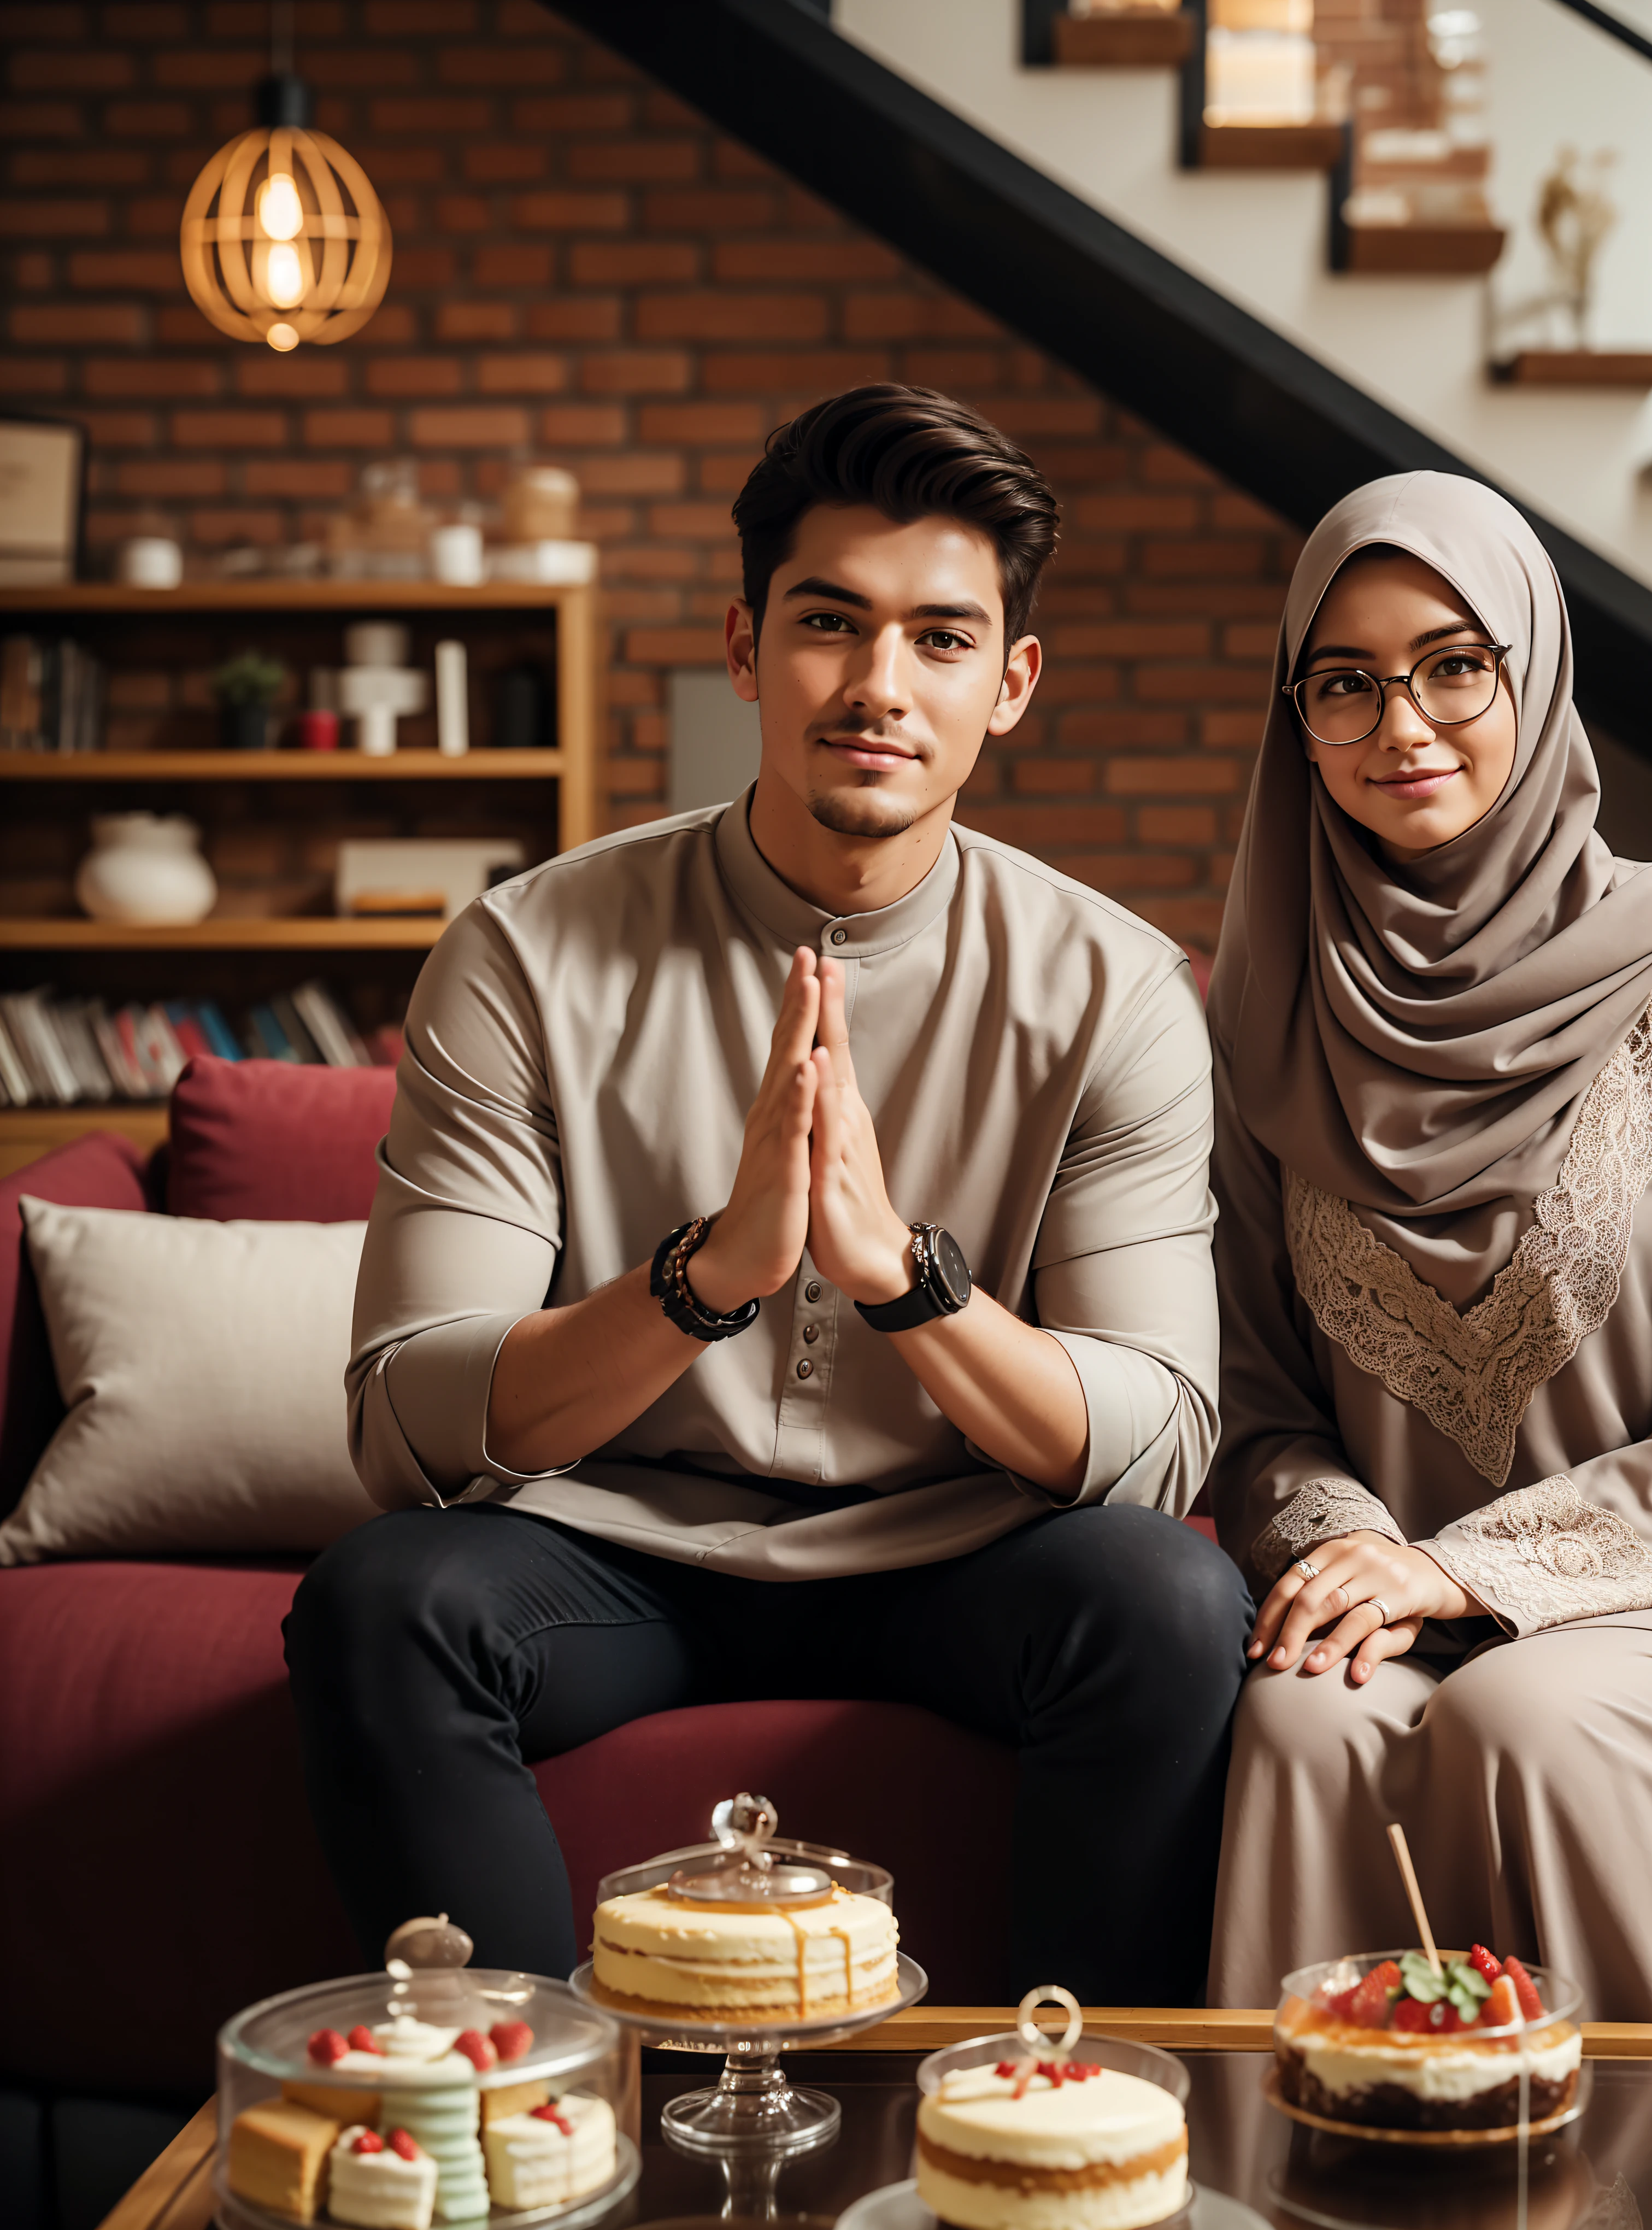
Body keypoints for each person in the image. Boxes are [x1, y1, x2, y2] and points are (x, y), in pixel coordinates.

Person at [286, 384, 1250, 2004]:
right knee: (381, 1603)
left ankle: (1069, 2130)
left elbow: (1156, 1438)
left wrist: (909, 1286)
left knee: (1165, 1597)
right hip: (620, 1551)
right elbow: (407, 1422)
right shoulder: (522, 952)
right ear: (745, 648)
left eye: (942, 640)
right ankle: (529, 2129)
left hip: (963, 1555)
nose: (880, 686)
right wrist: (703, 1282)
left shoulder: (1120, 991)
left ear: (1010, 685)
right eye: (831, 624)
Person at [1203, 472, 1652, 2016]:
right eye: (1346, 683)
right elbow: (1257, 1410)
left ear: (1536, 667)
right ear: (1295, 721)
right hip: (1389, 1589)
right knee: (1300, 1726)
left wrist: (1458, 1570)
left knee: (1528, 1713)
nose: (1406, 725)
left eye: (1457, 663)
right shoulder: (1267, 1013)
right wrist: (1351, 1564)